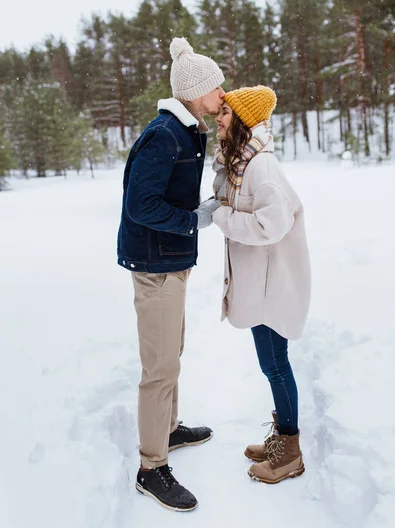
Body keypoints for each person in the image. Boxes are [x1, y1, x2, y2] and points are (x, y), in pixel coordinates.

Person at [117, 37, 224, 511]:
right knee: (158, 367)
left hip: (170, 259)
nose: (223, 94)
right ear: (195, 91)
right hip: (155, 262)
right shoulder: (165, 133)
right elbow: (140, 205)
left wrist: (193, 213)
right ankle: (150, 466)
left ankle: (169, 429)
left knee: (170, 354)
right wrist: (191, 220)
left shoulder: (185, 129)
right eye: (217, 88)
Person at [212, 85, 311, 484]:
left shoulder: (261, 168)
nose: (217, 119)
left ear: (242, 119)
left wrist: (222, 218)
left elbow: (272, 225)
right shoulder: (242, 161)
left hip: (273, 285)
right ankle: (283, 437)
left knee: (275, 365)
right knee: (271, 364)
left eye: (224, 114)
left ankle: (289, 450)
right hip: (262, 282)